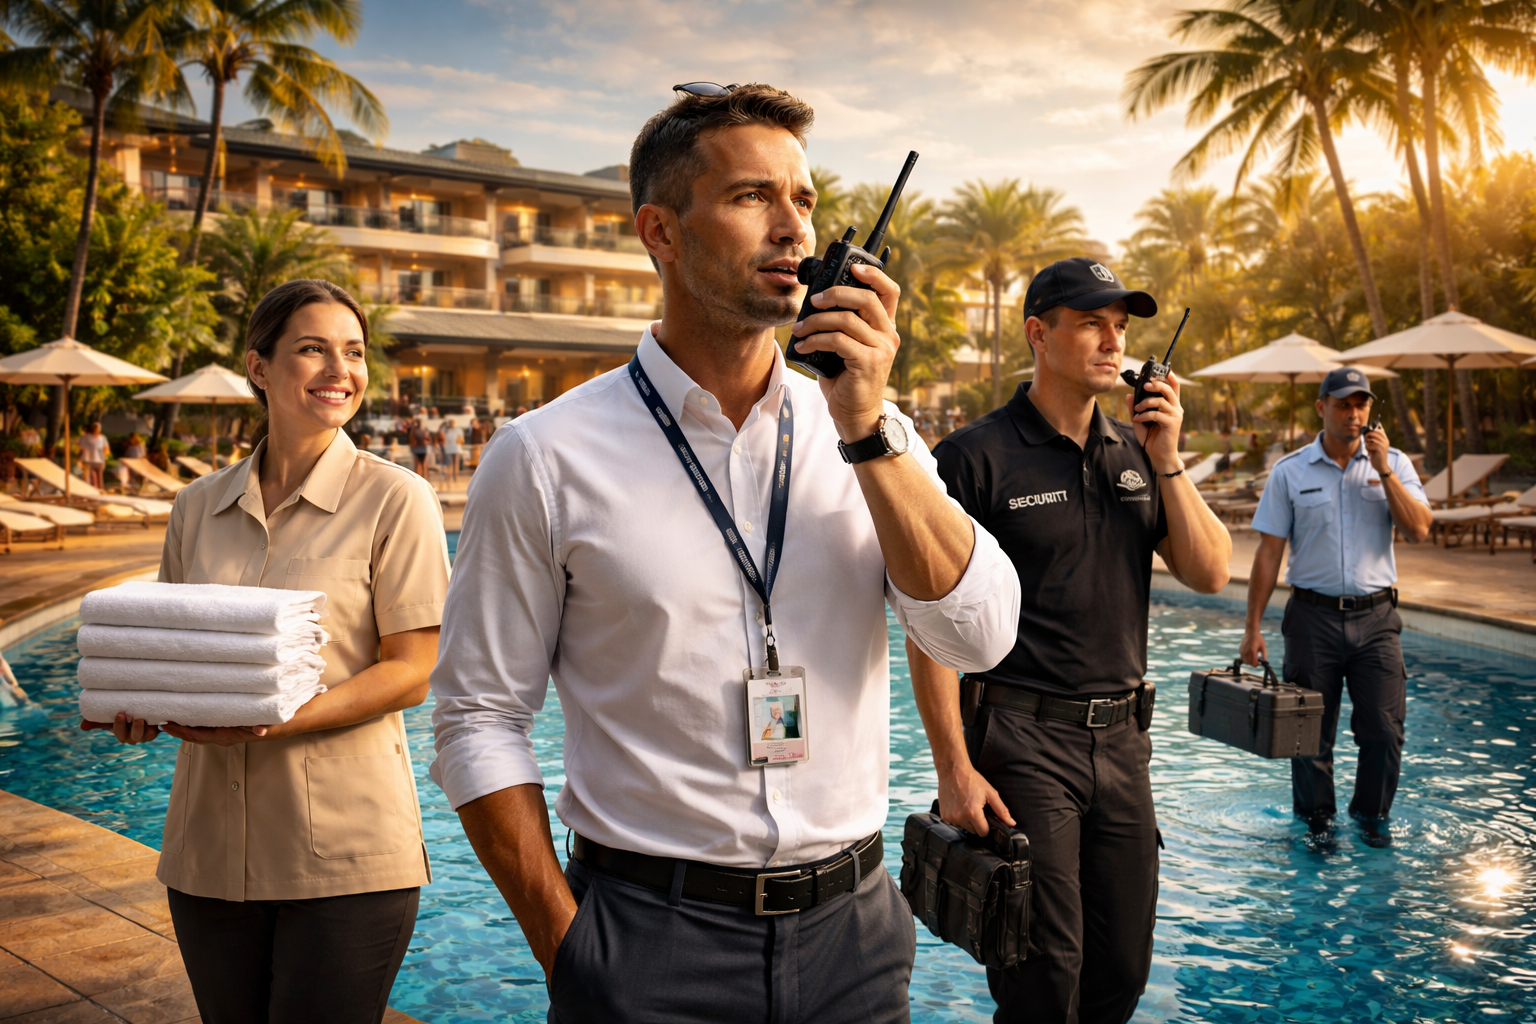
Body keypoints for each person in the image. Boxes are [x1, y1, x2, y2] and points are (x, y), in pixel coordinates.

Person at [429, 83, 1020, 1023]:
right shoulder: (544, 456)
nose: (793, 227)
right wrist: (568, 943)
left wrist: (867, 426)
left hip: (857, 934)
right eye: (753, 197)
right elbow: (476, 717)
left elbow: (980, 635)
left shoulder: (871, 436)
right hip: (647, 938)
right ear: (660, 232)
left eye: (805, 200)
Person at [84, 279, 450, 1024]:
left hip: (347, 859)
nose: (338, 371)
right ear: (260, 367)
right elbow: (174, 651)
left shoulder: (396, 498)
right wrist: (143, 707)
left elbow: (415, 671)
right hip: (206, 856)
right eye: (312, 350)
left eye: (352, 353)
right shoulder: (197, 506)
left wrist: (271, 719)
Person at [905, 257, 1233, 1024]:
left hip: (1123, 746)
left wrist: (1168, 459)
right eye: (1091, 322)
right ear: (1038, 334)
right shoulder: (973, 457)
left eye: (1119, 326)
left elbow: (1209, 570)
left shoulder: (1136, 456)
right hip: (1022, 740)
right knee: (1043, 975)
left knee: (1122, 969)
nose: (1112, 340)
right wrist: (954, 767)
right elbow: (929, 622)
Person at [1240, 367, 1431, 847]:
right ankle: (1317, 826)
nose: (1354, 413)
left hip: (1377, 620)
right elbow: (1268, 552)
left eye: (1362, 404)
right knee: (1307, 737)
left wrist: (1383, 468)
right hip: (1311, 619)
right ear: (1321, 407)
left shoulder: (1396, 465)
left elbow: (1420, 530)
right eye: (1344, 404)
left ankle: (1370, 821)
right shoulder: (1290, 471)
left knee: (1384, 734)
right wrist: (1252, 627)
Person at [79, 421, 108, 489]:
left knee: (99, 479)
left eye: (97, 427)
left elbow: (106, 448)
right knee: (89, 479)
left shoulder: (102, 437)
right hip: (89, 460)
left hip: (99, 461)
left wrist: (102, 456)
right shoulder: (86, 437)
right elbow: (82, 449)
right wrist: (80, 459)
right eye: (95, 427)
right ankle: (90, 491)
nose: (96, 429)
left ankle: (100, 491)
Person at [441, 417, 463, 485]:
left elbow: (461, 439)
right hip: (448, 448)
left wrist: (458, 441)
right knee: (449, 463)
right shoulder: (446, 430)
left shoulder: (458, 430)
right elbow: (443, 438)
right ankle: (448, 476)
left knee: (456, 463)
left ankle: (455, 477)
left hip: (456, 448)